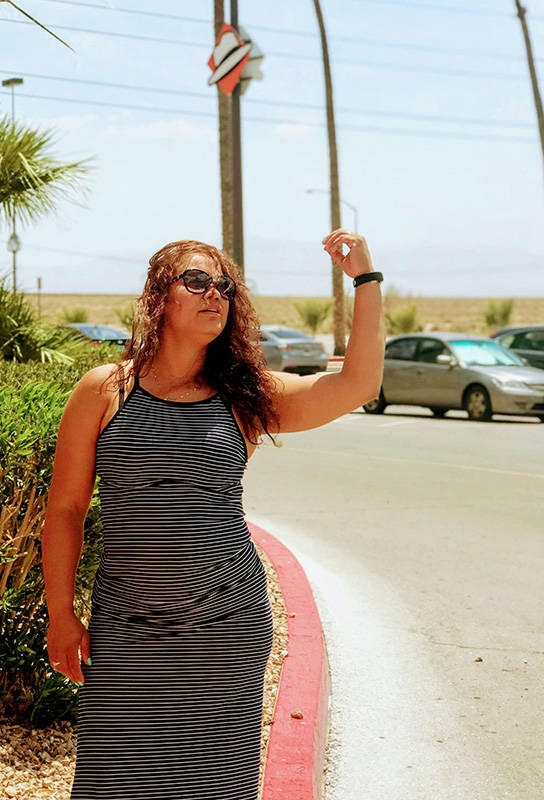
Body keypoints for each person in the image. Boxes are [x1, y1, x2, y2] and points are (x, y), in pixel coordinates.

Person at [41, 231, 385, 800]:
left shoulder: (244, 396)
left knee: (213, 781)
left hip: (226, 624)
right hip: (128, 625)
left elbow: (358, 384)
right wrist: (60, 614)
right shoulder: (105, 389)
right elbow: (66, 509)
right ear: (158, 297)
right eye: (196, 281)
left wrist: (366, 281)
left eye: (224, 286)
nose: (214, 295)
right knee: (113, 779)